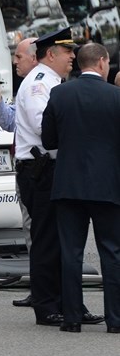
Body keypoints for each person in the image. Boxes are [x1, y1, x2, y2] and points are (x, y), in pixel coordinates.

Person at [13, 27, 103, 327]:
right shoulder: (39, 84)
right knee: (47, 241)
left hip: (52, 169)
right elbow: (44, 128)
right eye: (67, 51)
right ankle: (47, 306)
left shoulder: (53, 82)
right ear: (50, 54)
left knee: (62, 241)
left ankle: (70, 304)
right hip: (40, 171)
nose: (72, 57)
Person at [42, 43, 120, 334]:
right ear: (101, 62)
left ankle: (72, 318)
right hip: (107, 184)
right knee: (111, 252)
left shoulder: (59, 93)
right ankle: (116, 319)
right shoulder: (116, 96)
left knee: (71, 253)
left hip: (69, 183)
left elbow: (48, 140)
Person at [0, 38, 37, 307]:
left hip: (39, 171)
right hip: (26, 171)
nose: (14, 61)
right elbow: (9, 123)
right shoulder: (26, 86)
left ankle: (47, 290)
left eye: (19, 56)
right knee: (31, 231)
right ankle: (40, 288)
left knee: (40, 231)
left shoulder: (40, 87)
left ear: (35, 58)